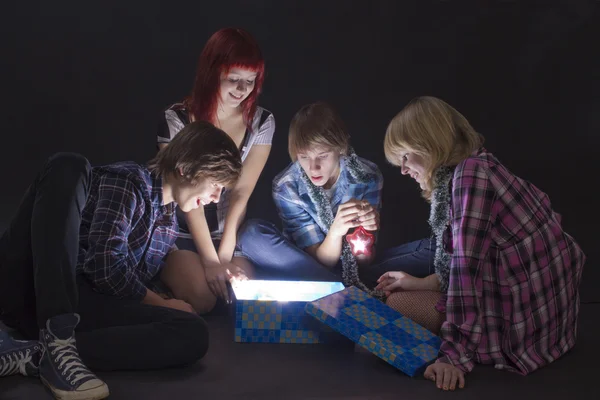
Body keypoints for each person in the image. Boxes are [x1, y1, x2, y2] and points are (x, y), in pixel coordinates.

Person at [0, 121, 243, 400]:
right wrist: (162, 303)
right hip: (35, 291)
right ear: (185, 169)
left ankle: (37, 353)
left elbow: (126, 286)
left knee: (193, 332)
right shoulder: (130, 183)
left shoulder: (167, 222)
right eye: (215, 185)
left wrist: (176, 301)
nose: (215, 198)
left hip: (84, 303)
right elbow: (105, 266)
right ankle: (57, 334)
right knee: (70, 164)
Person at [378, 96, 585, 391]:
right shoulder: (481, 164)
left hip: (518, 331)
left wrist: (453, 357)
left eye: (405, 157)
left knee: (395, 306)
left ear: (429, 145)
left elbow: (466, 271)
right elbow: (482, 260)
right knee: (402, 294)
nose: (403, 170)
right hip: (553, 327)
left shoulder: (470, 177)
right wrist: (424, 283)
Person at [237, 102, 436, 294]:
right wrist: (336, 231)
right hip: (305, 264)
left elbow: (364, 260)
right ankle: (348, 290)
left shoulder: (367, 176)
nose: (313, 167)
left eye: (322, 156)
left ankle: (334, 289)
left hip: (350, 270)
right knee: (251, 234)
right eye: (304, 157)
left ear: (340, 148)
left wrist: (366, 235)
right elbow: (319, 261)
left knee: (438, 248)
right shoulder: (286, 185)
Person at [157, 27, 275, 309]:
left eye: (250, 80)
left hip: (229, 232)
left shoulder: (262, 122)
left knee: (236, 297)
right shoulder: (176, 118)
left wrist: (224, 256)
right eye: (234, 79)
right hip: (182, 230)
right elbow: (187, 196)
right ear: (213, 73)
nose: (242, 90)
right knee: (204, 298)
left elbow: (241, 193)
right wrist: (210, 262)